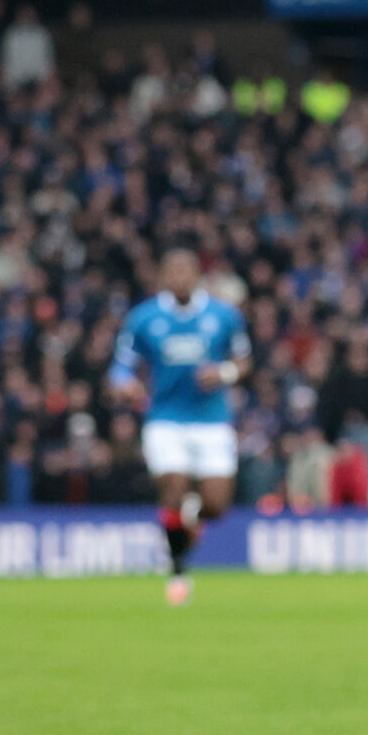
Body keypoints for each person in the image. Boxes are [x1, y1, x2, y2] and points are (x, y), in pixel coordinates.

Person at [108, 248, 251, 605]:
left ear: (197, 275)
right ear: (162, 277)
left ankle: (188, 519)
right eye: (172, 272)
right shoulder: (144, 318)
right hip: (165, 418)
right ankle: (177, 571)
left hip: (212, 419)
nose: (180, 278)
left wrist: (224, 373)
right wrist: (125, 383)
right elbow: (121, 365)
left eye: (186, 271)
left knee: (216, 505)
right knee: (173, 486)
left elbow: (244, 361)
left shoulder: (224, 315)